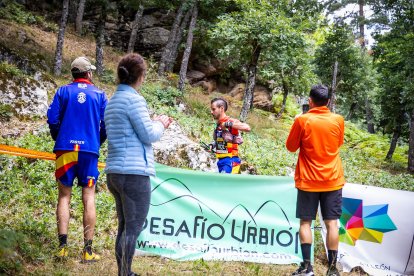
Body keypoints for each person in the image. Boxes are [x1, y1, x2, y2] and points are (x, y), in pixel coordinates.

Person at [104, 53, 172, 276]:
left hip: (114, 170)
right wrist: (160, 123)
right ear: (141, 76)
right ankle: (126, 273)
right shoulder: (134, 99)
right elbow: (148, 134)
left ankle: (125, 271)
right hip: (133, 172)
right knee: (133, 228)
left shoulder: (113, 100)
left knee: (124, 226)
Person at [47, 56, 107, 262]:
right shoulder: (100, 94)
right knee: (89, 197)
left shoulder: (63, 91)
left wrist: (59, 136)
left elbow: (52, 118)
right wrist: (97, 141)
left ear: (73, 74)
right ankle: (87, 251)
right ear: (88, 73)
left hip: (66, 149)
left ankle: (62, 248)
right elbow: (105, 124)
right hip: (89, 150)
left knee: (64, 196)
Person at [286, 84, 345, 276]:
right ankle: (333, 269)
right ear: (328, 102)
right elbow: (338, 143)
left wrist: (299, 126)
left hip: (308, 180)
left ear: (310, 101)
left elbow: (291, 147)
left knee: (305, 222)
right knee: (332, 224)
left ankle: (306, 268)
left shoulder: (302, 120)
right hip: (332, 179)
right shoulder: (338, 120)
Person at [210, 98, 251, 173]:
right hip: (221, 161)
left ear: (221, 108)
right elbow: (221, 142)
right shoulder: (218, 125)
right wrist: (212, 145)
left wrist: (228, 124)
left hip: (230, 161)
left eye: (213, 109)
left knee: (225, 184)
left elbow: (247, 128)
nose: (211, 112)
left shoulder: (230, 121)